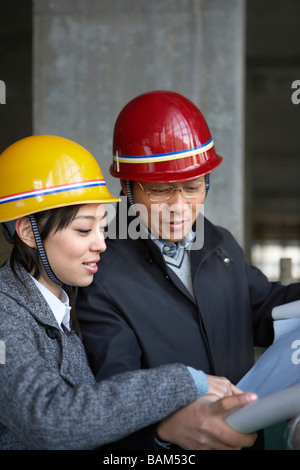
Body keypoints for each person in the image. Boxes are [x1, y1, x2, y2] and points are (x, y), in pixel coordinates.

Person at [0, 134, 257, 450]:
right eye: (83, 230)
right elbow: (49, 420)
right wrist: (185, 381)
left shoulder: (62, 305)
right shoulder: (5, 315)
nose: (101, 244)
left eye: (101, 227)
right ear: (28, 231)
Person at [76, 90, 300, 450]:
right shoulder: (101, 276)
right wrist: (162, 433)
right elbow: (114, 397)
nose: (180, 207)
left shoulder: (219, 244)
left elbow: (263, 310)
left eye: (193, 187)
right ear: (127, 188)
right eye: (161, 190)